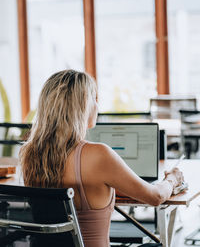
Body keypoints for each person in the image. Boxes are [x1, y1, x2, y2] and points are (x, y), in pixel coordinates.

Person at [20, 69, 184, 247]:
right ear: (81, 105)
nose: (97, 105)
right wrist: (172, 179)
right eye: (94, 98)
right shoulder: (98, 155)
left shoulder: (30, 154)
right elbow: (156, 196)